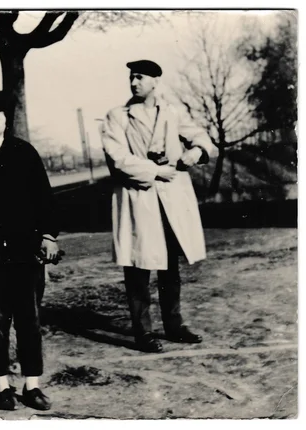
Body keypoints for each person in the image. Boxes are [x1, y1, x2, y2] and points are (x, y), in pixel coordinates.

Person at [100, 60, 218, 353]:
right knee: (139, 266)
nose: (133, 83)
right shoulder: (118, 116)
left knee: (169, 265)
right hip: (139, 197)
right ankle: (143, 332)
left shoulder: (173, 112)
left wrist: (196, 151)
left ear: (155, 81)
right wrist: (154, 171)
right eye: (131, 78)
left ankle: (174, 325)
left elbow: (204, 138)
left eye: (139, 78)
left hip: (170, 199)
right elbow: (117, 157)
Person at [0, 90, 60, 411]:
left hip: (25, 253)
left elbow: (45, 199)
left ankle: (32, 384)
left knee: (29, 320)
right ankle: (1, 384)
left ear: (6, 119)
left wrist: (48, 235)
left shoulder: (24, 152)